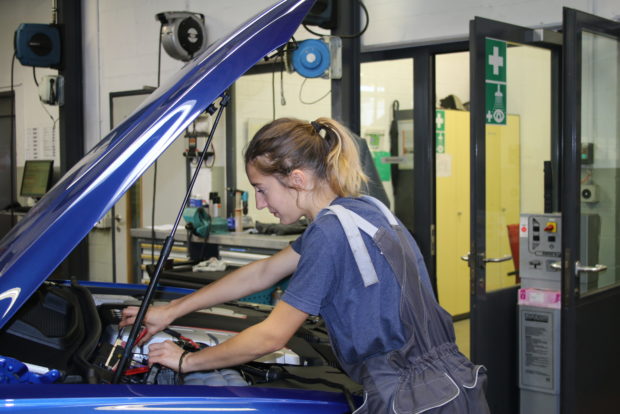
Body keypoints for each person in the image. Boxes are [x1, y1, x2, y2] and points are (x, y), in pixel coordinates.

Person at [120, 117, 490, 413]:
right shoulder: (360, 209)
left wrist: (187, 362)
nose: (261, 204)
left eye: (262, 189)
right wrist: (170, 311)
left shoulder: (330, 232)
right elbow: (264, 272)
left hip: (414, 399)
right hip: (448, 384)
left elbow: (271, 336)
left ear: (296, 179)